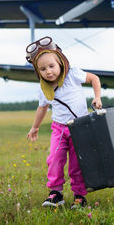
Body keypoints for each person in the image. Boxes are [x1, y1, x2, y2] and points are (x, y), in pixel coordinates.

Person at [25, 36, 102, 209]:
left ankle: (79, 196)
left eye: (51, 66)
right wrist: (35, 127)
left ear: (60, 62)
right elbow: (42, 108)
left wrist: (97, 97)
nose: (48, 72)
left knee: (77, 163)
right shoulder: (43, 88)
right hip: (59, 128)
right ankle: (55, 193)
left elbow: (94, 78)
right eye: (42, 69)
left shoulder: (73, 74)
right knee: (54, 159)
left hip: (80, 127)